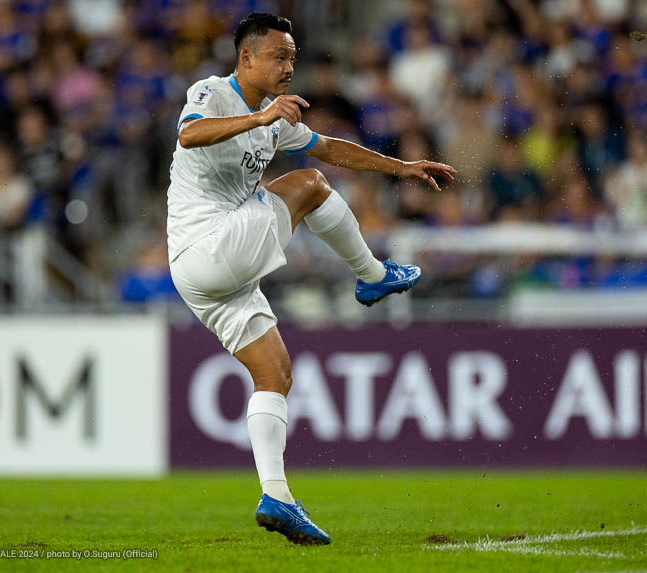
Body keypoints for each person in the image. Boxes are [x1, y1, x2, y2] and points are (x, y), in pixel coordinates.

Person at [167, 12, 455, 545]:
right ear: (246, 57)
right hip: (207, 245)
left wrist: (401, 168)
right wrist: (260, 119)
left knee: (275, 374)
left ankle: (276, 496)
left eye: (293, 58)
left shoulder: (277, 117)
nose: (288, 67)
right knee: (311, 185)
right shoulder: (212, 92)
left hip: (207, 276)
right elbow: (189, 134)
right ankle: (372, 275)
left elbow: (330, 146)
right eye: (279, 56)